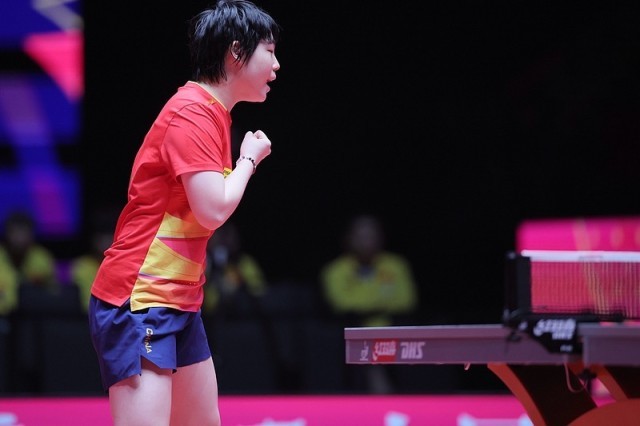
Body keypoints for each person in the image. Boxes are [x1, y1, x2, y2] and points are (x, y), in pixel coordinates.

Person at [87, 2, 280, 424]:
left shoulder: (213, 114)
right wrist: (248, 159)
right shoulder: (191, 113)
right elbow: (213, 210)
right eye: (269, 51)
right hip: (140, 299)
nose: (276, 64)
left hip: (180, 303)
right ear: (236, 52)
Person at [320, 214, 419, 393]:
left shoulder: (396, 266)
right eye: (361, 236)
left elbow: (406, 300)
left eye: (371, 235)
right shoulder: (335, 271)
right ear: (349, 239)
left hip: (391, 330)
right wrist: (381, 302)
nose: (366, 241)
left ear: (381, 238)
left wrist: (365, 303)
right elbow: (341, 303)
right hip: (352, 332)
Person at [202, 220, 268, 318]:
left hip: (242, 318)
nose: (224, 241)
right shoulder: (204, 263)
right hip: (210, 319)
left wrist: (240, 281)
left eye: (228, 236)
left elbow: (259, 292)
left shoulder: (245, 262)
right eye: (220, 236)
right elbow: (207, 303)